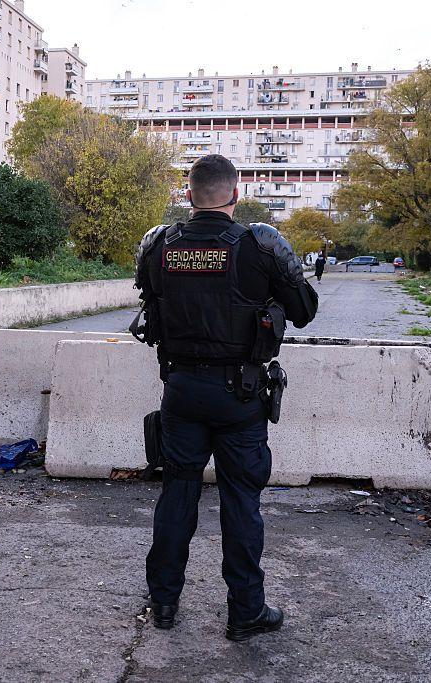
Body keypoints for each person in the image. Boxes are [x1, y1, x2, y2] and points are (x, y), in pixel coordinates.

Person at [131, 155, 318, 642]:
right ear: (235, 194)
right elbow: (304, 311)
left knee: (178, 494)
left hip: (182, 392)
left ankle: (165, 603)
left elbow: (150, 306)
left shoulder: (158, 245)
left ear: (189, 195)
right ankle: (245, 613)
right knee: (241, 502)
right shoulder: (260, 245)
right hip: (240, 395)